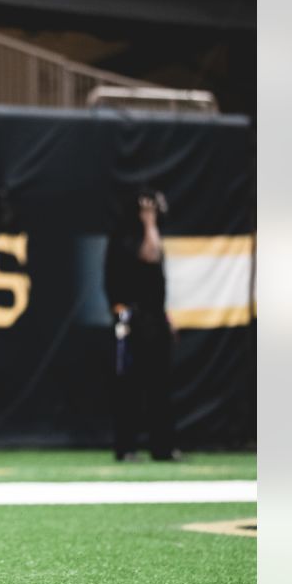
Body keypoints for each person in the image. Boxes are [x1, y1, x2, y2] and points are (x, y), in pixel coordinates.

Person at [104, 189, 180, 462]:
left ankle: (163, 446)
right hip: (132, 321)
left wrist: (165, 315)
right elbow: (149, 254)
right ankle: (126, 447)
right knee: (129, 388)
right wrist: (148, 223)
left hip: (154, 318)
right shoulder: (126, 238)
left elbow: (156, 279)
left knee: (160, 386)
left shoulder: (154, 238)